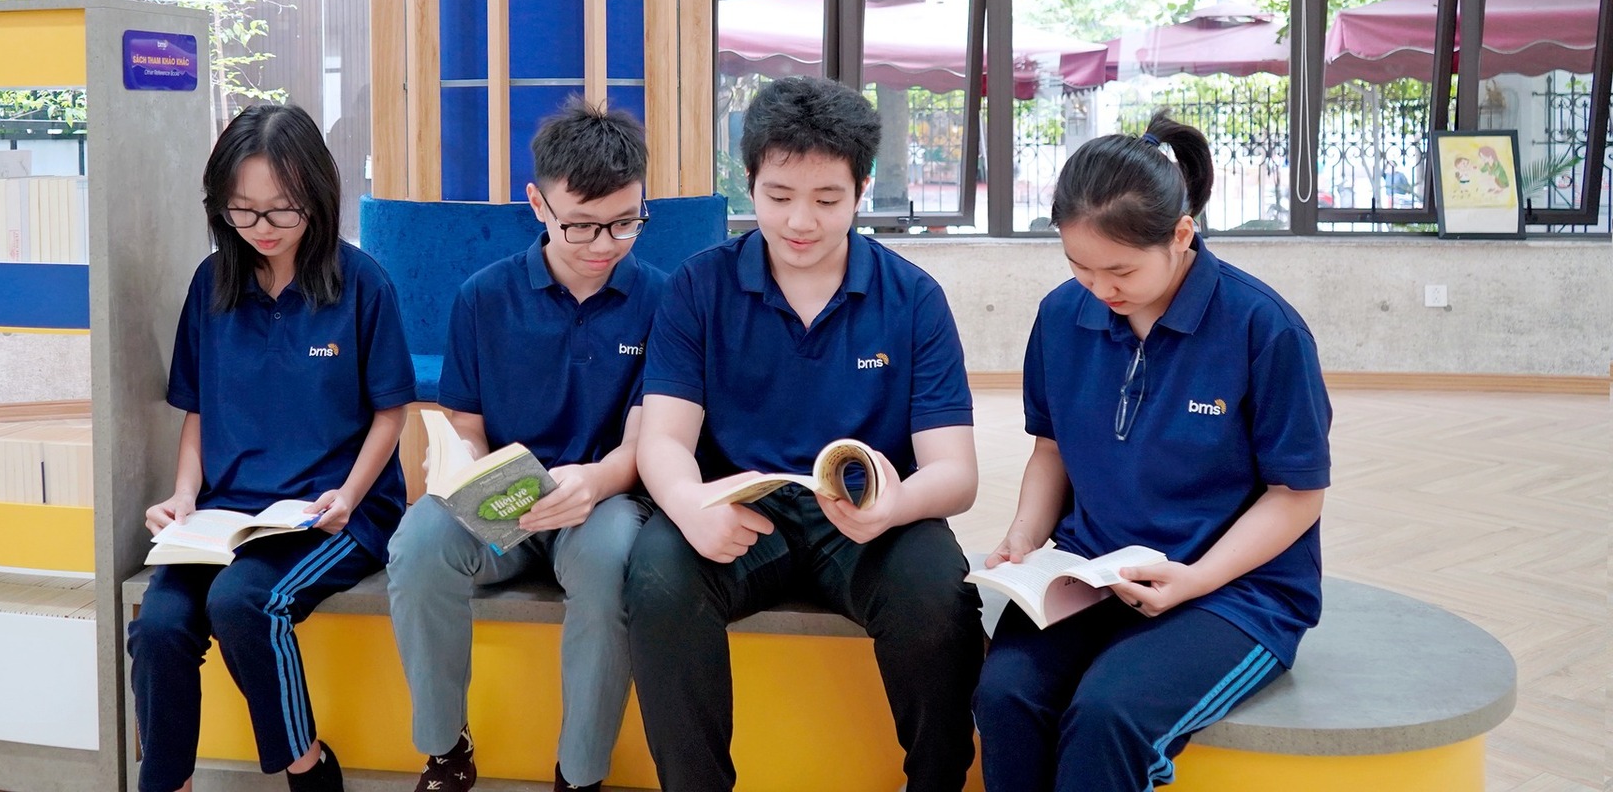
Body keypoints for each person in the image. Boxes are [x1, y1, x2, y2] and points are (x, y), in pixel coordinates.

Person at [625, 75, 983, 792]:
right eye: (779, 196)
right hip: (742, 514)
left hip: (868, 522)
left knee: (938, 593)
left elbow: (956, 473)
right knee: (658, 577)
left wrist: (896, 506)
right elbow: (662, 438)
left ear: (861, 190)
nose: (800, 222)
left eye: (827, 199)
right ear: (749, 183)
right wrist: (691, 506)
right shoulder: (698, 286)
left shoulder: (913, 297)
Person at [975, 112, 1332, 792]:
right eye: (1080, 266)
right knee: (1005, 696)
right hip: (1090, 572)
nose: (1100, 290)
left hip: (1232, 593)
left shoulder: (1264, 329)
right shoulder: (1062, 316)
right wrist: (1025, 533)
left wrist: (1196, 579)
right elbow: (1051, 448)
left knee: (1109, 716)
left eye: (1120, 271)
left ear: (1181, 235)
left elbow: (1297, 495)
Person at [129, 104, 416, 792]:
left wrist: (349, 496)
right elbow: (199, 409)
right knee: (159, 626)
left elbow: (391, 412)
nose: (263, 227)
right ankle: (165, 783)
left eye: (282, 209)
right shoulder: (212, 284)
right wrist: (184, 496)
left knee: (242, 602)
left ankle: (308, 769)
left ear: (315, 193)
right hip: (228, 514)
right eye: (243, 211)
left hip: (334, 513)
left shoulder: (363, 284)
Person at [387, 99, 667, 792]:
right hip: (504, 501)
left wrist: (594, 483)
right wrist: (465, 464)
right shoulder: (483, 297)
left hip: (604, 499)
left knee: (607, 563)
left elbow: (646, 439)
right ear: (538, 204)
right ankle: (445, 749)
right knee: (418, 544)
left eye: (625, 223)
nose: (604, 244)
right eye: (581, 225)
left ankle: (580, 773)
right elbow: (466, 420)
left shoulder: (664, 301)